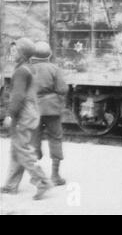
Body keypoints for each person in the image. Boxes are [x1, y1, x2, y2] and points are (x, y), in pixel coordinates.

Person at [0, 38, 52, 201]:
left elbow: (18, 96)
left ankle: (42, 181)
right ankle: (10, 186)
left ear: (22, 54)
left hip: (23, 114)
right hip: (30, 112)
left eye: (15, 51)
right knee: (17, 149)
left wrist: (10, 114)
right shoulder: (27, 68)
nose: (11, 53)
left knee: (22, 150)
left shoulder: (21, 71)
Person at [31, 41, 69, 186]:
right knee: (55, 139)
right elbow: (63, 89)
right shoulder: (54, 68)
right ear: (49, 55)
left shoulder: (28, 69)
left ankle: (36, 175)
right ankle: (55, 175)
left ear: (34, 55)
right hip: (52, 109)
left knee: (34, 139)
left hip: (34, 109)